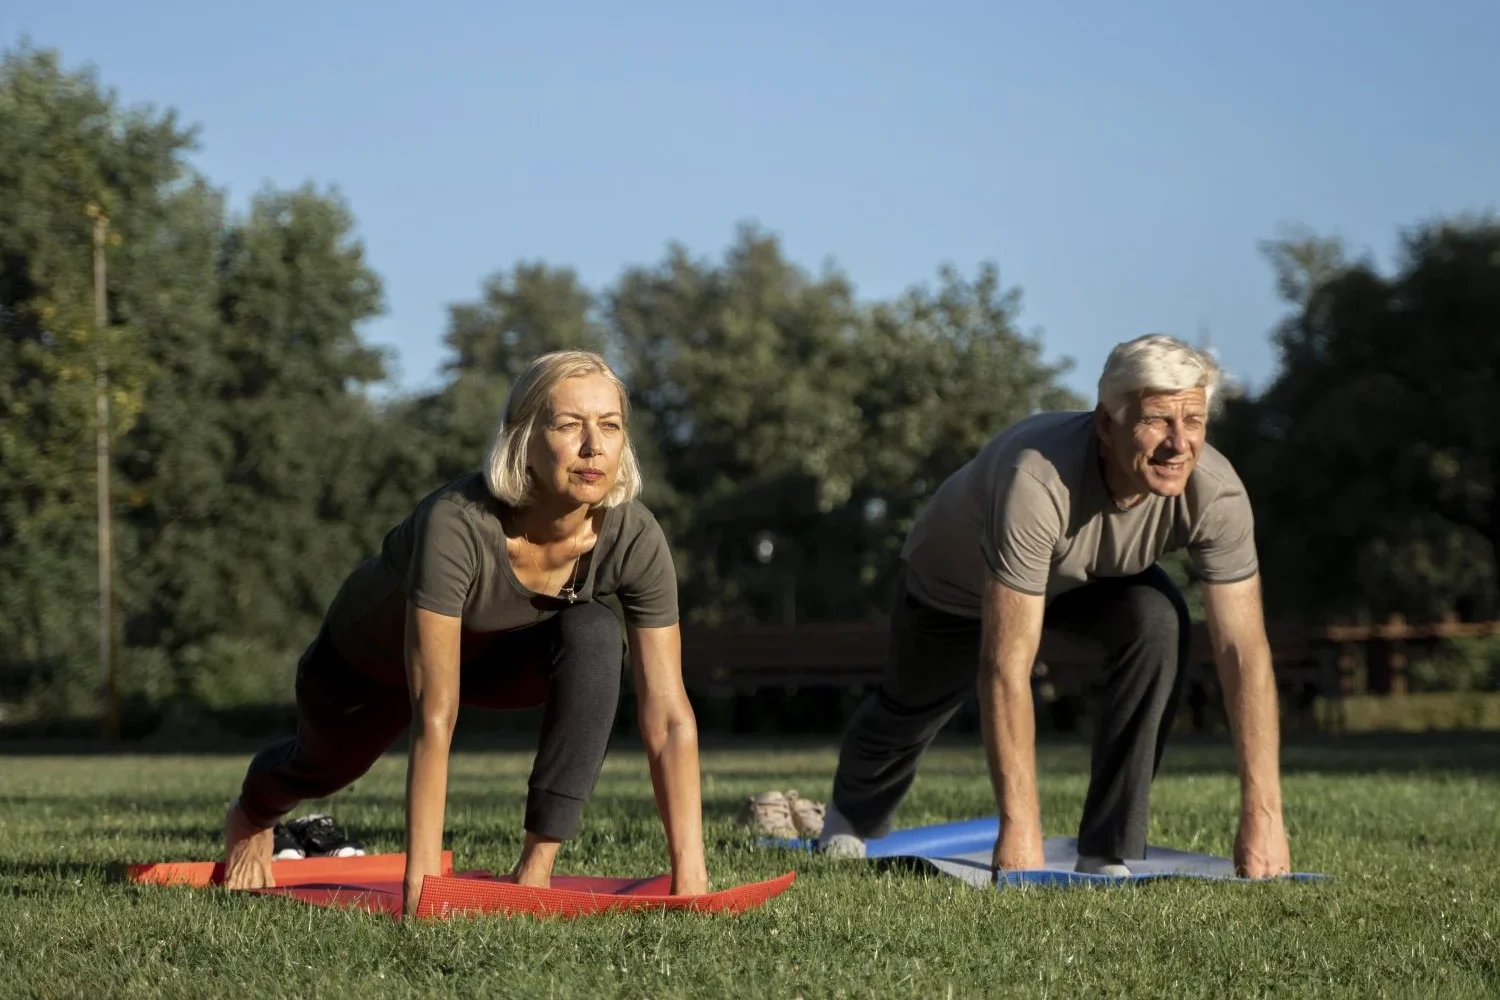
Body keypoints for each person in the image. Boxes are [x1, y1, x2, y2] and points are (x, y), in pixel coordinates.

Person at [222, 350, 708, 916]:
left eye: (610, 425)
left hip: (499, 662)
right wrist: (423, 887)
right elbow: (435, 712)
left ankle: (536, 867)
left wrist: (691, 876)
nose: (592, 445)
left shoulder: (633, 535)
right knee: (323, 767)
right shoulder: (457, 523)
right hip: (366, 668)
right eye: (568, 424)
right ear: (523, 439)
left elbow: (670, 715)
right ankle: (252, 812)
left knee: (595, 632)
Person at [819, 334, 1292, 878]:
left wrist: (1264, 815)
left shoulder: (1216, 491)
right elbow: (1005, 669)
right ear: (1106, 425)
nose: (1178, 443)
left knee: (1158, 620)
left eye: (1194, 421)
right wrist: (1019, 828)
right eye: (1158, 420)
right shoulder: (1037, 479)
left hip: (1086, 579)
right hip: (958, 585)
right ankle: (850, 814)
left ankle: (1107, 848)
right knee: (911, 708)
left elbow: (1243, 654)